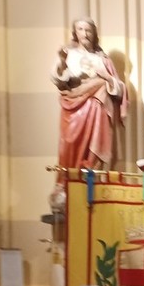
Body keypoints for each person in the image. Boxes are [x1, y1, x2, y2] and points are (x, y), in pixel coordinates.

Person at [51, 17, 127, 171]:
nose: (84, 34)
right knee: (69, 144)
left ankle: (92, 170)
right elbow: (58, 81)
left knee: (101, 87)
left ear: (94, 33)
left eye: (88, 30)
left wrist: (106, 77)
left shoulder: (103, 60)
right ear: (75, 32)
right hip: (73, 107)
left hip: (97, 111)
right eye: (80, 29)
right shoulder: (68, 54)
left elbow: (120, 90)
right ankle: (69, 178)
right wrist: (62, 62)